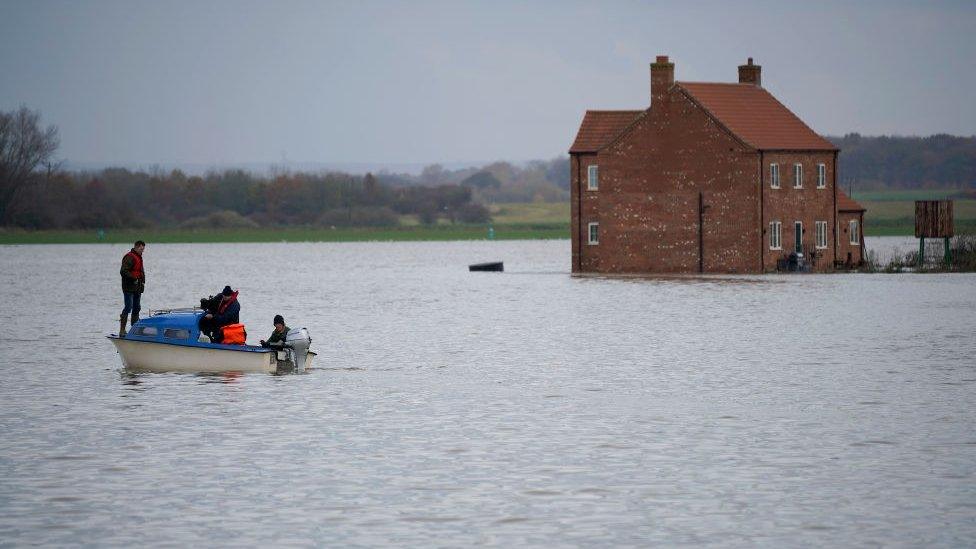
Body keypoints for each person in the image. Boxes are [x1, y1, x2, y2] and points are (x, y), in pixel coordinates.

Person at [119, 240, 146, 337]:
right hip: (128, 287)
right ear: (136, 247)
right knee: (128, 307)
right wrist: (133, 278)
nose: (142, 251)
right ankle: (122, 330)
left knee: (137, 307)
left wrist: (142, 283)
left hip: (137, 288)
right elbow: (123, 271)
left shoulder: (139, 257)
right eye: (141, 249)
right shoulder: (129, 257)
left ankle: (134, 330)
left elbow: (140, 272)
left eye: (143, 249)